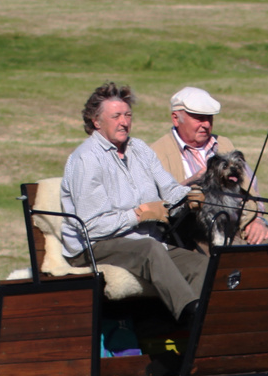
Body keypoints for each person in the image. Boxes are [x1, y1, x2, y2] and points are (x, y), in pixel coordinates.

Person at [60, 82, 211, 323]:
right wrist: (139, 214)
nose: (124, 121)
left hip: (142, 242)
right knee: (149, 249)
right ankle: (191, 318)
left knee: (199, 264)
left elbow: (170, 189)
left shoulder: (139, 149)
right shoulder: (87, 159)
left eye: (128, 115)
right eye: (116, 116)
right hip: (94, 246)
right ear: (96, 122)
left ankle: (192, 336)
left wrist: (189, 198)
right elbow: (90, 227)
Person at [149, 86, 268, 245]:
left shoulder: (224, 144)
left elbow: (252, 190)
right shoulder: (156, 153)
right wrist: (192, 181)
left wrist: (258, 220)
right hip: (197, 238)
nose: (206, 124)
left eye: (210, 118)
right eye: (199, 118)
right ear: (175, 118)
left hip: (240, 230)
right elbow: (158, 205)